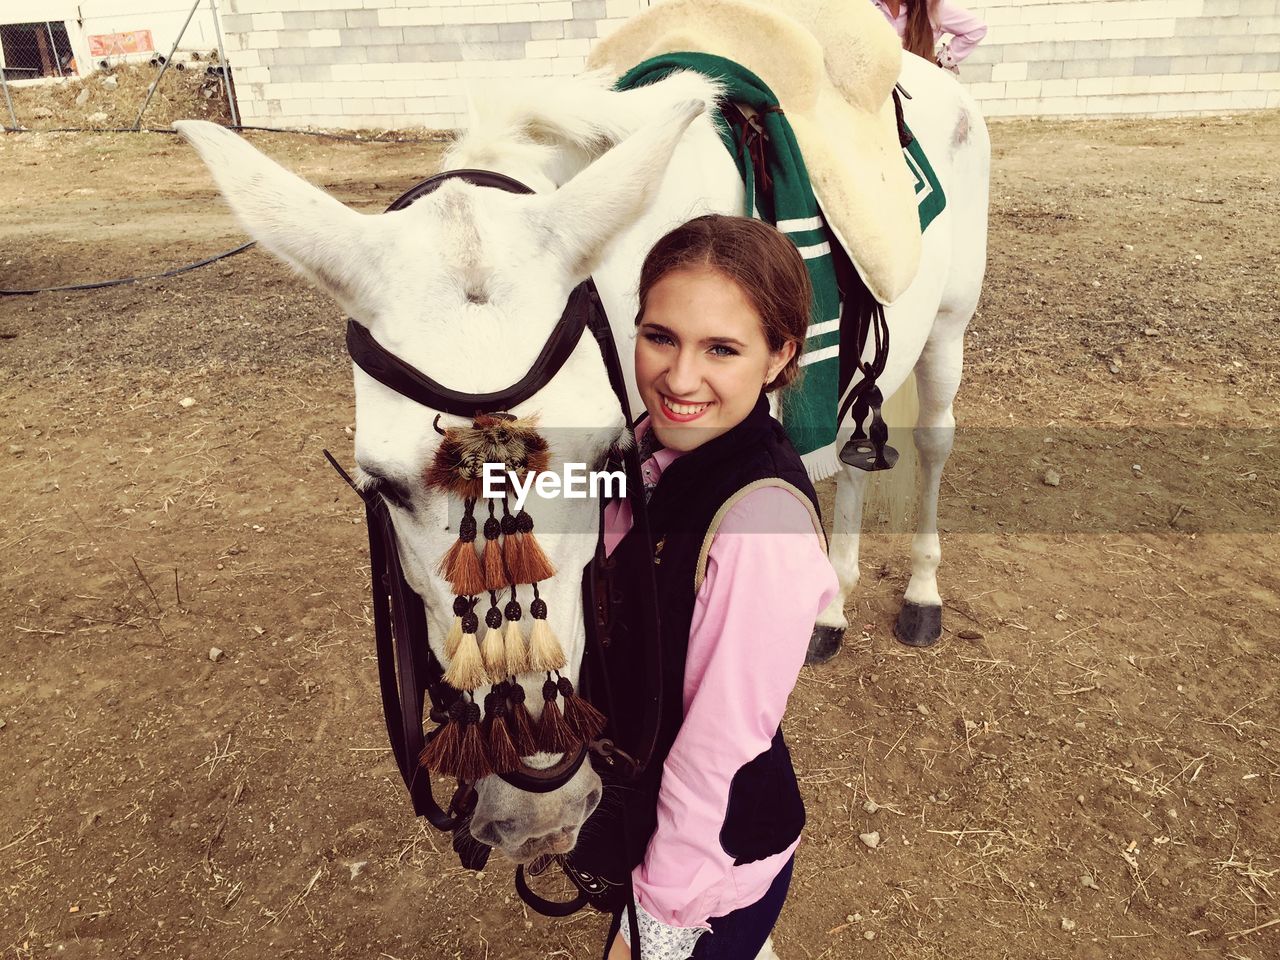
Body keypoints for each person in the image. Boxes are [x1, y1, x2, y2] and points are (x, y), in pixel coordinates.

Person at [590, 215, 839, 959]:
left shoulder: (760, 523)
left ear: (778, 357)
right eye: (660, 336)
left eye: (722, 349)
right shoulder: (651, 441)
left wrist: (662, 914)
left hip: (705, 866)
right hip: (649, 819)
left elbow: (719, 745)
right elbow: (588, 488)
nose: (680, 378)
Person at [870, 0, 988, 71]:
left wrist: (941, 61)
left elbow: (977, 28)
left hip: (916, 91)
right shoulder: (864, 5)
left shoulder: (932, 7)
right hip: (874, 90)